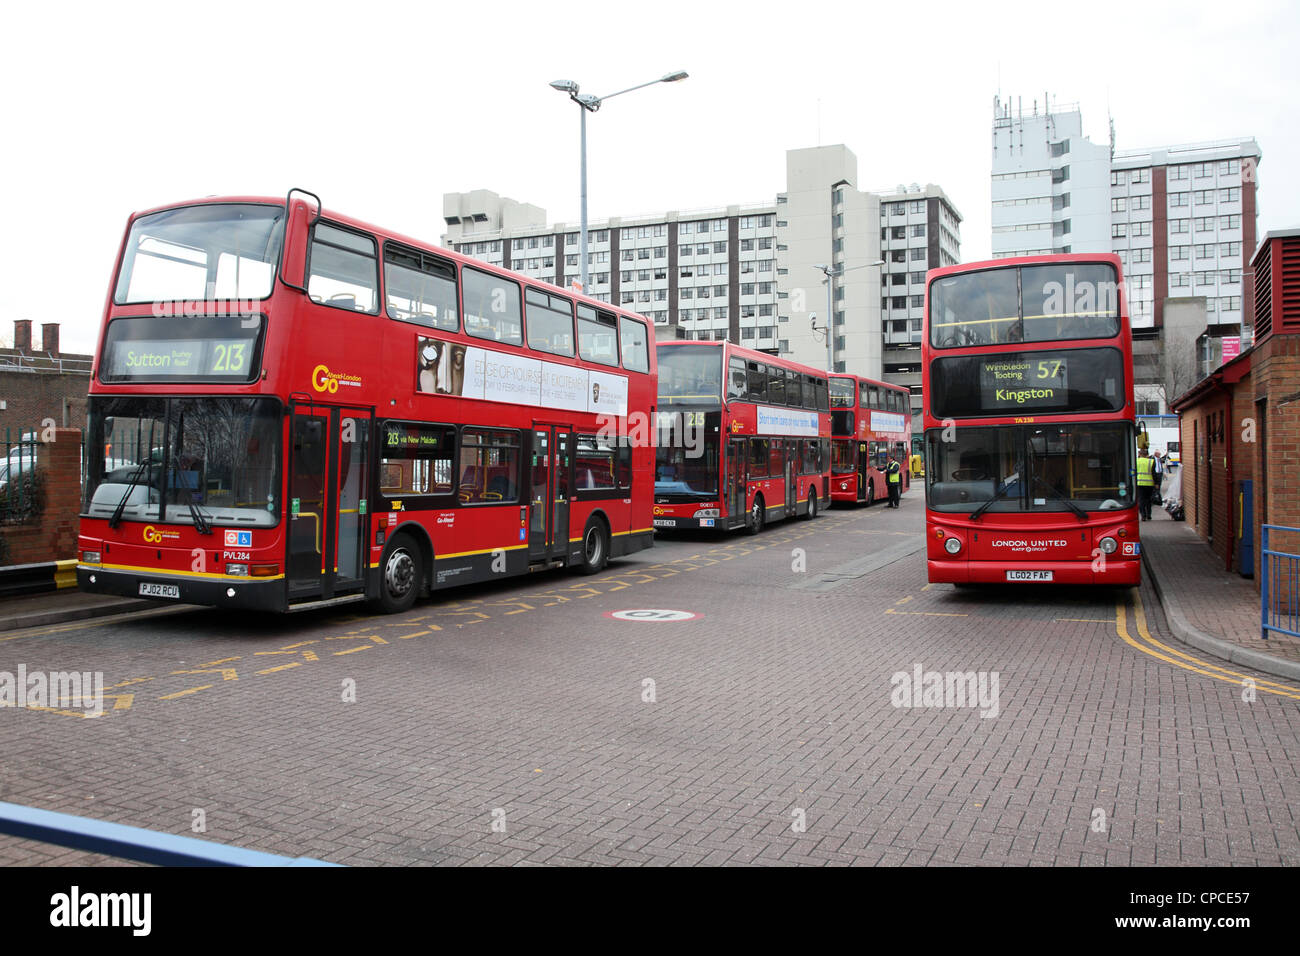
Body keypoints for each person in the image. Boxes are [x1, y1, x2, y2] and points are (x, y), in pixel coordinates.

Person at [1136, 447, 1155, 520]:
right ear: (1147, 455)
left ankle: (1143, 515)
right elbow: (1154, 474)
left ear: (1139, 454)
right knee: (1148, 500)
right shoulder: (1151, 461)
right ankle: (1149, 515)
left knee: (1141, 500)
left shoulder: (1136, 461)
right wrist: (1156, 483)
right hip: (1149, 484)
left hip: (1139, 483)